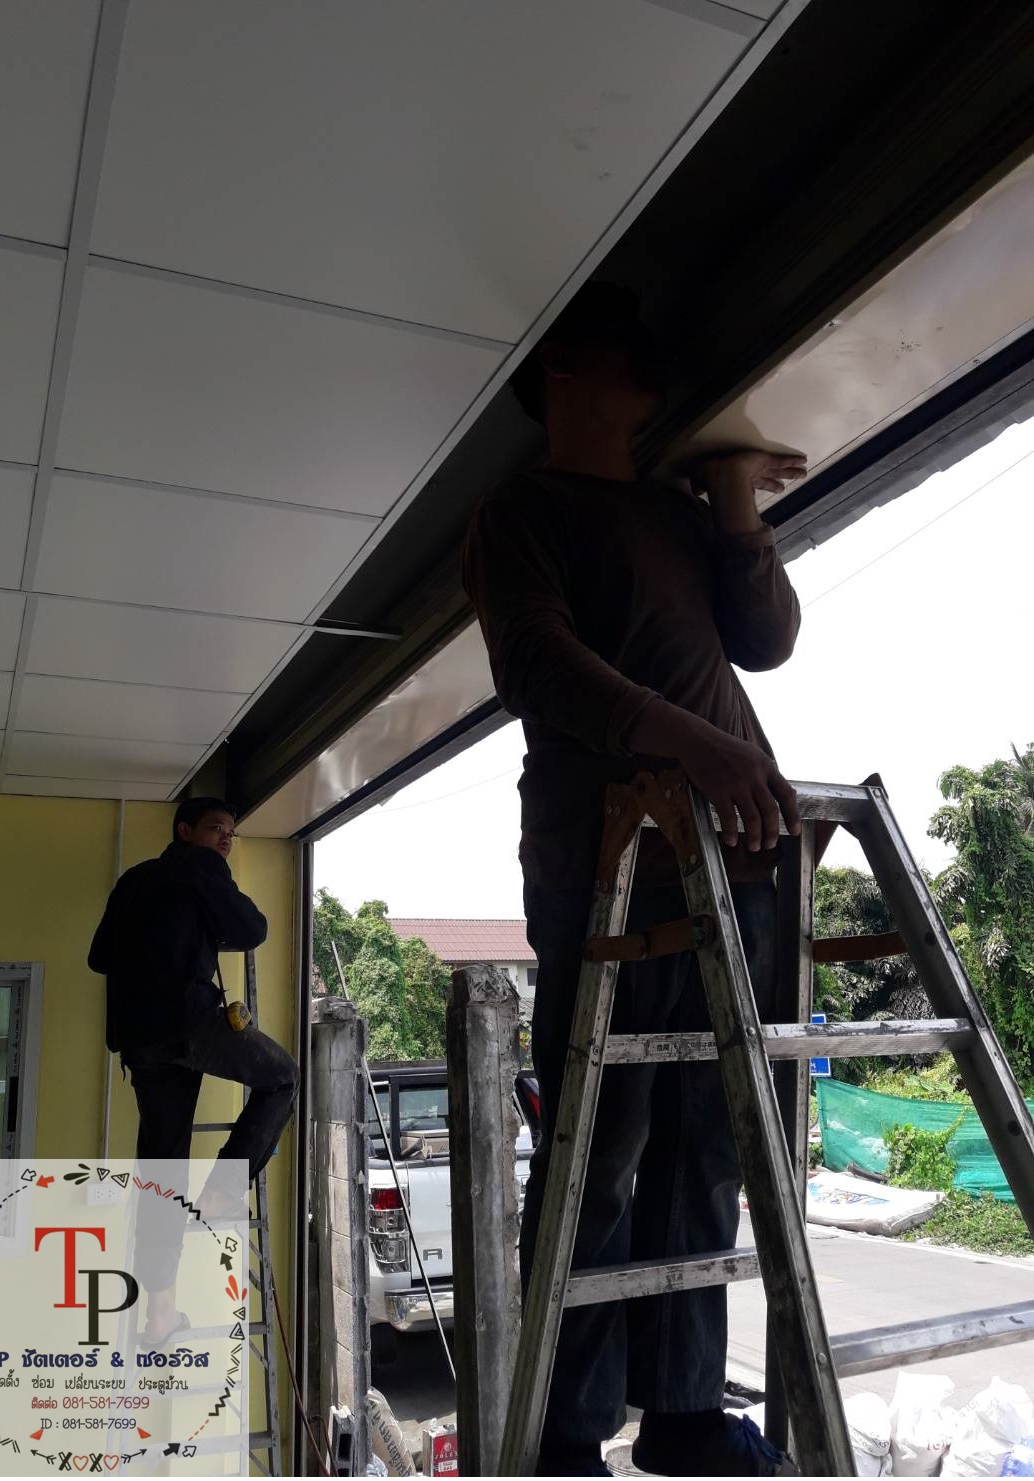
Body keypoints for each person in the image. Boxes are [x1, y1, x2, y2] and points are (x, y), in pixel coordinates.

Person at [462, 282, 804, 1477]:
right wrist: (691, 741)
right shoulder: (520, 512)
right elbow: (535, 664)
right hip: (602, 869)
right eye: (624, 357)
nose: (649, 378)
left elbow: (764, 640)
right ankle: (566, 1435)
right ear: (561, 372)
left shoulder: (672, 512)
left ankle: (683, 1410)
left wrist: (735, 508)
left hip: (727, 863)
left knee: (709, 1142)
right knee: (597, 1152)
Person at [88, 796, 297, 1348]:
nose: (226, 838)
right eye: (215, 828)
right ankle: (223, 1192)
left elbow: (99, 956)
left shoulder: (134, 879)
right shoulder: (199, 866)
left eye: (231, 831)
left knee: (162, 1165)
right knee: (282, 1078)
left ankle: (159, 1313)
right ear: (185, 831)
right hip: (188, 1024)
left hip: (138, 1040)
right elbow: (251, 928)